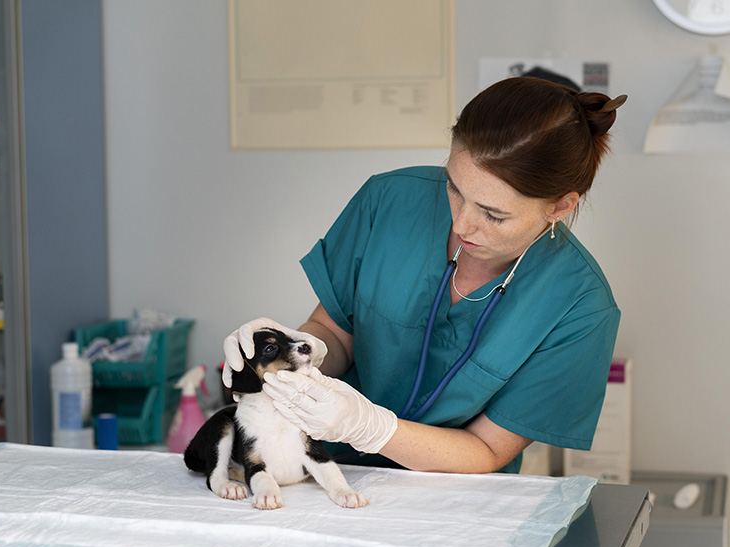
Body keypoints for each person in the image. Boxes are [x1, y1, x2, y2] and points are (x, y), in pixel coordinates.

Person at [223, 77, 627, 474]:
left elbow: (488, 449)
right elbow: (334, 332)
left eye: (493, 214)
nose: (463, 224)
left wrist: (371, 428)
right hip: (320, 467)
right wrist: (297, 354)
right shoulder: (389, 201)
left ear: (559, 207)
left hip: (451, 503)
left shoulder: (580, 308)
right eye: (454, 188)